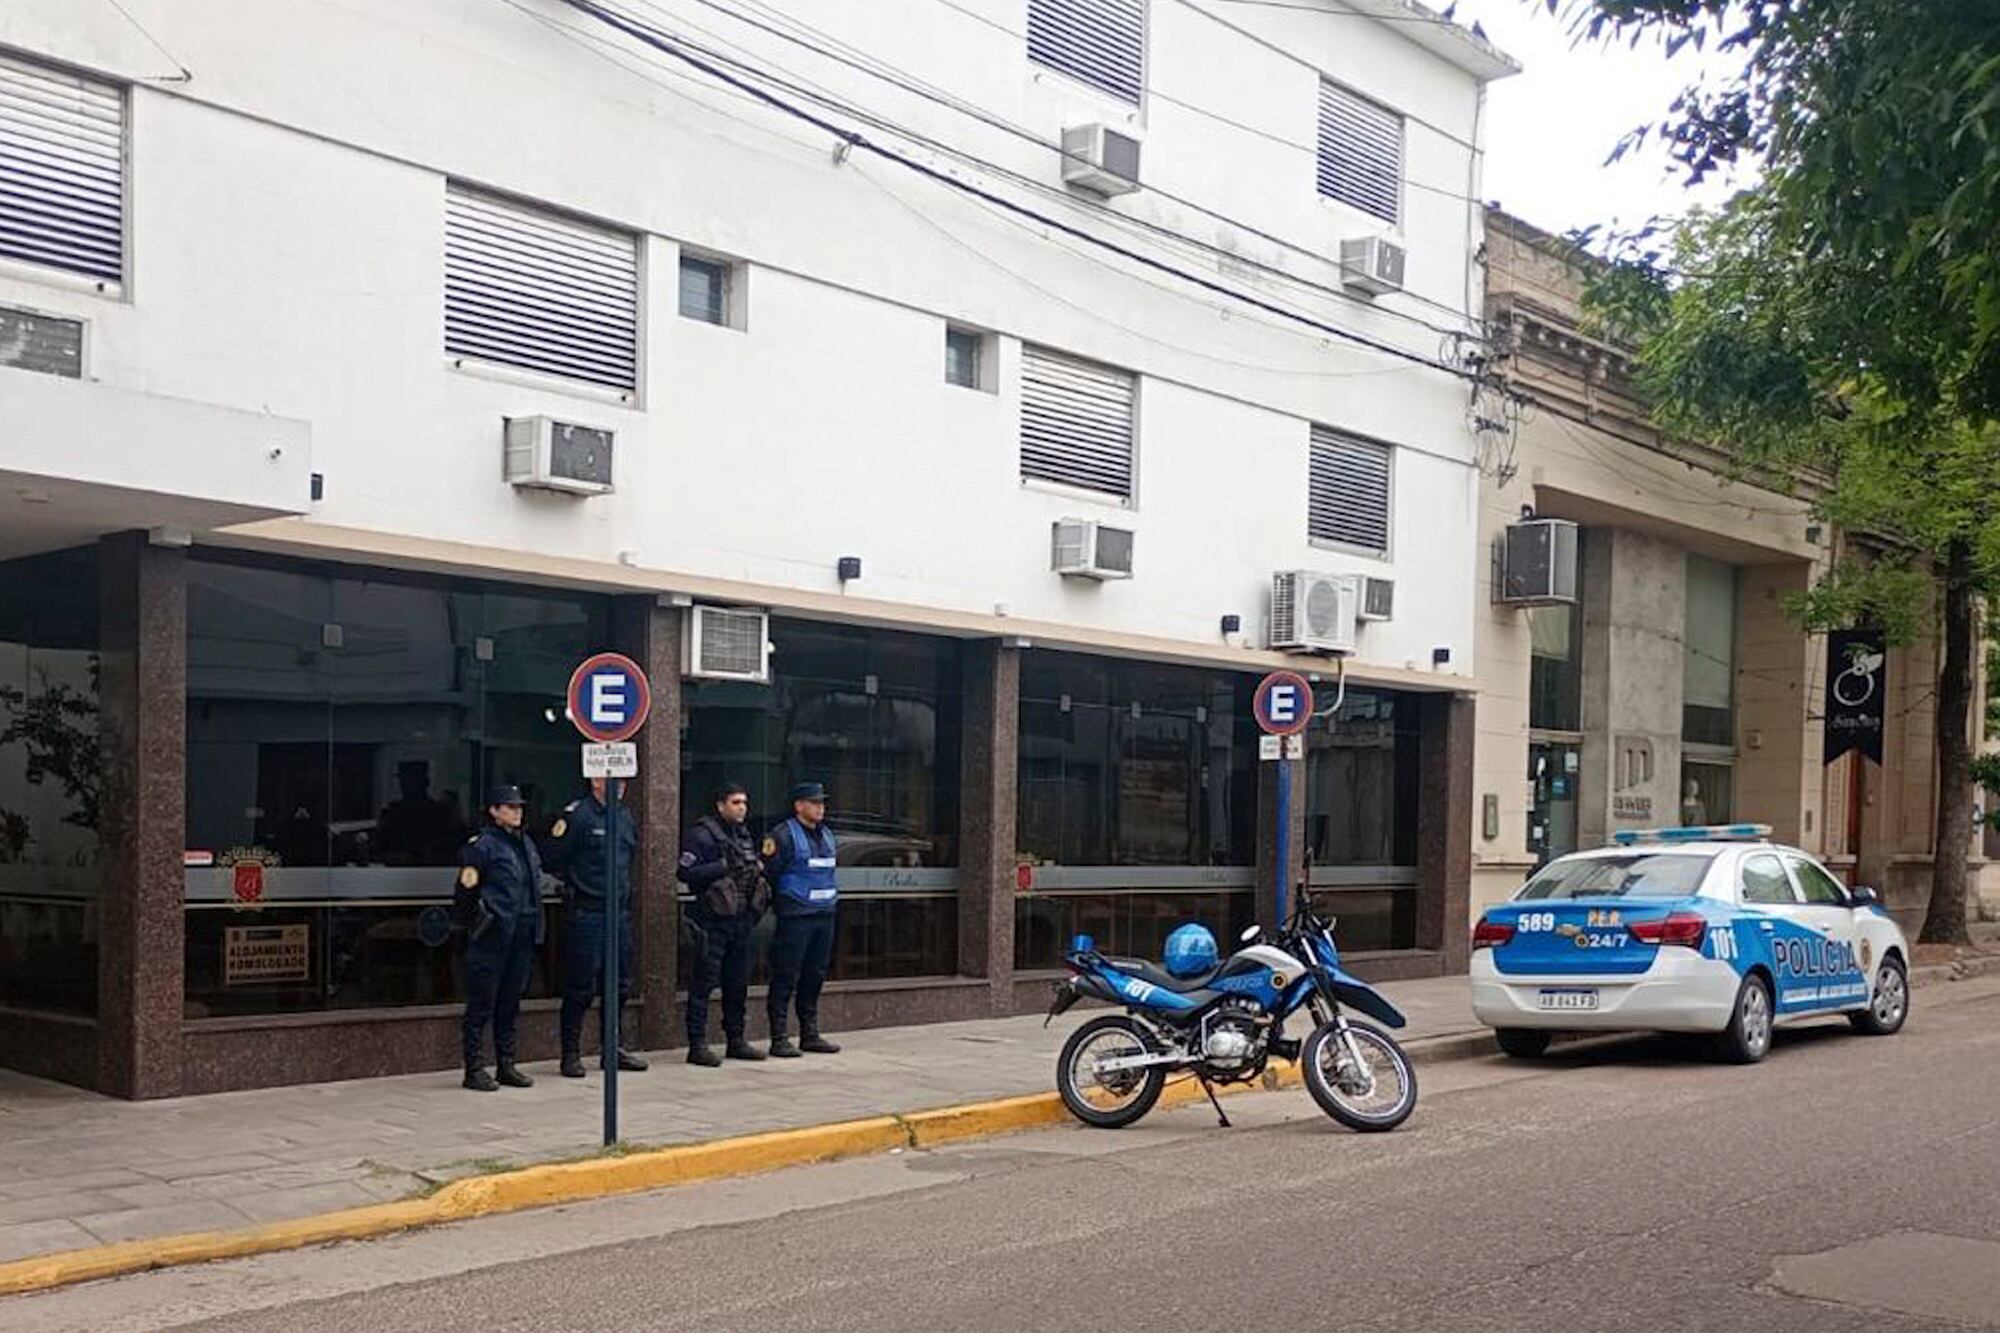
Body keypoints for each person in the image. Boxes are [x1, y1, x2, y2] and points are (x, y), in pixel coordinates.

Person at [544, 776, 648, 1079]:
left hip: (619, 912)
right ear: (595, 780)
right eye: (612, 778)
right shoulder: (578, 815)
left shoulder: (625, 816)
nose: (621, 785)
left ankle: (611, 1048)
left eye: (625, 780)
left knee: (619, 985)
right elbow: (552, 857)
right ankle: (571, 1054)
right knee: (580, 986)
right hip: (587, 912)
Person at [457, 784, 545, 1092]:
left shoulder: (526, 844)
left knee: (510, 1002)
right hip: (493, 934)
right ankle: (474, 1067)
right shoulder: (482, 847)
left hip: (521, 932)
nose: (517, 812)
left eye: (519, 807)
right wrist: (474, 925)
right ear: (494, 811)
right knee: (482, 1002)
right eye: (510, 807)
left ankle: (506, 1064)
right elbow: (465, 892)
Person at [677, 782, 770, 1066]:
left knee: (737, 983)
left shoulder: (743, 833)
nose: (742, 807)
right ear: (720, 805)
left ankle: (736, 1040)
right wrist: (720, 867)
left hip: (741, 921)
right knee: (704, 983)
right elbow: (684, 871)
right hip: (712, 921)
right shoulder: (702, 836)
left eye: (744, 802)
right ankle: (697, 1045)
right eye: (735, 802)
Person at [760, 781, 841, 1058]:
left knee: (814, 976)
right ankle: (779, 1036)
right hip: (795, 916)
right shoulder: (782, 836)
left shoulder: (827, 834)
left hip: (824, 915)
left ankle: (810, 1033)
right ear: (799, 806)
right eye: (814, 802)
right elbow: (769, 873)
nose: (820, 808)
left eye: (822, 803)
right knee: (785, 975)